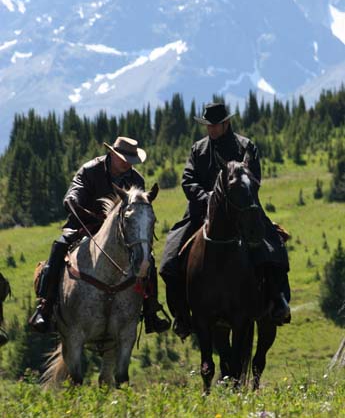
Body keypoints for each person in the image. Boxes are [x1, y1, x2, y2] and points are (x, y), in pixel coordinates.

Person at [160, 102, 291, 339]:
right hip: (201, 212)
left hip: (243, 209)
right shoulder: (198, 149)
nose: (210, 130)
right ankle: (182, 315)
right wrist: (209, 199)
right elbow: (188, 180)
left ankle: (277, 301)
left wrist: (236, 197)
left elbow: (254, 178)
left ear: (226, 123)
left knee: (273, 248)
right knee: (169, 259)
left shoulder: (245, 146)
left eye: (215, 125)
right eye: (208, 125)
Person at [29, 136, 170, 335]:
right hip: (85, 225)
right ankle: (45, 305)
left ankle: (150, 312)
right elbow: (75, 191)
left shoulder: (136, 179)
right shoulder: (90, 170)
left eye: (131, 160)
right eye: (124, 158)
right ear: (112, 154)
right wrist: (73, 200)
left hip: (119, 233)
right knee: (59, 246)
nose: (128, 163)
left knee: (148, 260)